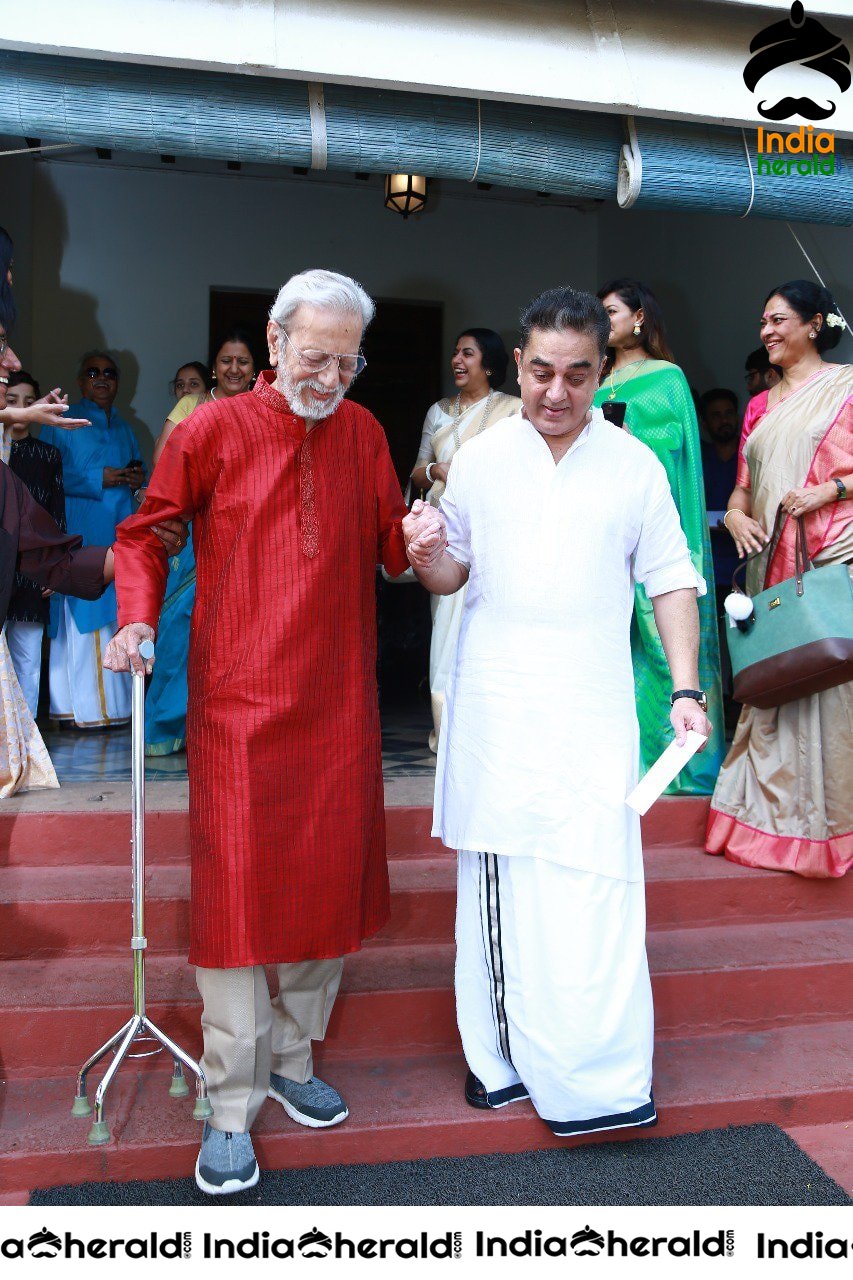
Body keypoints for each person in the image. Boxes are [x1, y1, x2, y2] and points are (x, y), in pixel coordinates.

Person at [104, 269, 409, 1195]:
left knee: (323, 888)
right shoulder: (211, 430)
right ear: (273, 345)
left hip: (339, 701)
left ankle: (293, 1061)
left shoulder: (363, 432)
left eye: (346, 362)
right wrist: (136, 616)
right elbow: (146, 534)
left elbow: (394, 546)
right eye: (313, 357)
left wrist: (428, 542)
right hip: (238, 699)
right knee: (236, 907)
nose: (329, 377)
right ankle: (230, 1104)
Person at [403, 285, 711, 1138]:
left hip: (594, 710)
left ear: (601, 370)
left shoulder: (631, 464)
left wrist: (684, 690)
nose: (556, 392)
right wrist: (424, 552)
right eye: (541, 372)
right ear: (518, 365)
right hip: (499, 709)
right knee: (503, 887)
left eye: (577, 375)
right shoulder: (483, 456)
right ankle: (499, 1063)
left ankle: (603, 1077)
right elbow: (447, 573)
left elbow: (670, 578)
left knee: (597, 890)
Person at [707, 280, 852, 878]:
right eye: (762, 321)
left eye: (778, 320)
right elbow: (742, 486)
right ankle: (773, 819)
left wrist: (832, 489)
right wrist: (738, 514)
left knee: (830, 677)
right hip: (771, 558)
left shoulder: (846, 388)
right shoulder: (760, 405)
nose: (766, 331)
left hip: (832, 551)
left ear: (814, 324)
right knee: (779, 674)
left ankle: (832, 823)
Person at [592, 277, 725, 794]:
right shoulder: (595, 381)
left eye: (611, 312)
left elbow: (676, 455)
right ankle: (625, 760)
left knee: (661, 638)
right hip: (607, 531)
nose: (603, 323)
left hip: (653, 524)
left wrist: (631, 441)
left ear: (639, 317)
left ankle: (679, 766)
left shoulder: (666, 378)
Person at [409, 329, 520, 751]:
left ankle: (488, 732)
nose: (457, 359)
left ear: (488, 364)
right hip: (446, 529)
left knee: (489, 626)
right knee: (446, 630)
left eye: (467, 353)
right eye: (455, 352)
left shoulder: (513, 411)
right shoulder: (438, 412)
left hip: (494, 532)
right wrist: (439, 470)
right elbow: (418, 471)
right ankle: (447, 728)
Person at [144, 336, 256, 756]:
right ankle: (166, 726)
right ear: (214, 368)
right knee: (180, 627)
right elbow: (163, 462)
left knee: (238, 631)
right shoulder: (191, 406)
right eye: (226, 360)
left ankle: (223, 728)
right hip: (196, 529)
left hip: (247, 533)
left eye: (243, 362)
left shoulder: (263, 407)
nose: (234, 368)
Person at [41, 351, 147, 729]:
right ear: (81, 381)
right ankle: (79, 710)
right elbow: (45, 474)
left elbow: (137, 470)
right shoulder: (61, 420)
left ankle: (111, 710)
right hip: (79, 535)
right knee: (78, 623)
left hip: (118, 535)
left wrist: (135, 479)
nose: (102, 379)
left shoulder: (125, 427)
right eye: (93, 372)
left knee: (114, 618)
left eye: (109, 373)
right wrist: (96, 478)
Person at [4, 371, 66, 717]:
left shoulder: (47, 455)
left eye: (30, 402)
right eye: (12, 402)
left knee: (28, 659)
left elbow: (56, 516)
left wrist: (54, 567)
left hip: (32, 568)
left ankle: (26, 746)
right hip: (1, 566)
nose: (22, 410)